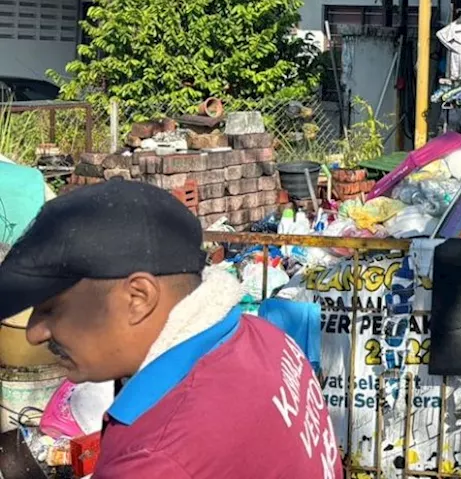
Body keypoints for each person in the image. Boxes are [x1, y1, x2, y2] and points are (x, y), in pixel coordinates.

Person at [0, 180, 342, 479]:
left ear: (138, 298)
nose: (34, 333)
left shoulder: (154, 456)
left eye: (50, 308)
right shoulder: (264, 338)